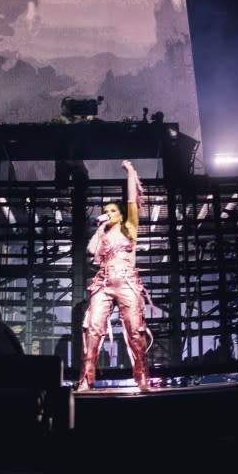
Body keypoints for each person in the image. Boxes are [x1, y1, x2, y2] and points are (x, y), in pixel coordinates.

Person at [76, 159, 152, 392]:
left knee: (135, 330)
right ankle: (86, 380)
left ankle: (142, 378)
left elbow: (131, 200)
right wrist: (101, 227)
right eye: (105, 211)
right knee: (92, 327)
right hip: (104, 282)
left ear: (120, 214)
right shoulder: (104, 233)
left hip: (127, 281)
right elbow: (90, 249)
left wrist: (130, 172)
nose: (107, 213)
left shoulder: (130, 228)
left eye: (112, 210)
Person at [50, 96, 90, 185]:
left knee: (83, 179)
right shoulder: (57, 119)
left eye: (71, 105)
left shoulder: (78, 120)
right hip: (63, 157)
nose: (69, 107)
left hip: (76, 157)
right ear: (62, 106)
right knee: (61, 182)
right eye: (67, 105)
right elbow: (67, 125)